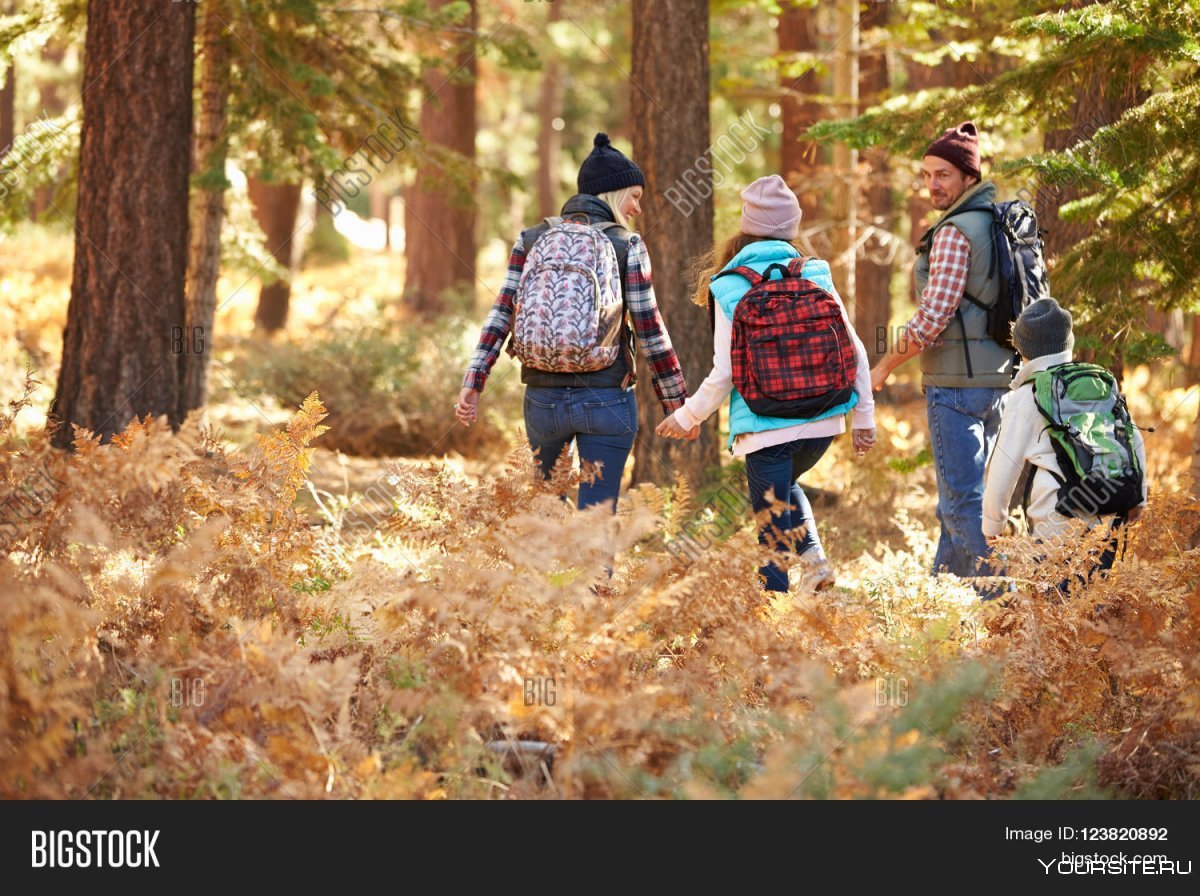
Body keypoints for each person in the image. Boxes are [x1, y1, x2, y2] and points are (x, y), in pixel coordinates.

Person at [657, 175, 875, 593]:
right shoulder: (815, 273)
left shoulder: (729, 284)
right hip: (823, 423)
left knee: (771, 541)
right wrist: (863, 418)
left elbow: (725, 373)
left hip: (765, 428)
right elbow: (857, 350)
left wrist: (687, 416)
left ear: (746, 226)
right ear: (792, 228)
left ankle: (770, 634)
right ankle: (815, 566)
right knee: (786, 489)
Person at [456, 132, 688, 513]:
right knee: (595, 521)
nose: (637, 209)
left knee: (546, 517)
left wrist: (474, 381)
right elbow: (649, 329)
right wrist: (676, 402)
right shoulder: (626, 244)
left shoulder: (532, 238)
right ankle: (593, 576)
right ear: (613, 195)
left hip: (542, 401)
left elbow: (502, 313)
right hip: (606, 398)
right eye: (635, 197)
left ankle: (544, 575)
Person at [869, 121, 1013, 591]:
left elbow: (933, 316)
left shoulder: (955, 232)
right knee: (966, 500)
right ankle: (941, 603)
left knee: (960, 504)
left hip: (957, 387)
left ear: (969, 177)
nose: (932, 184)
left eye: (943, 175)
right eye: (927, 174)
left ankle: (1004, 600)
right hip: (1000, 382)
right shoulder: (998, 221)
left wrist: (886, 364)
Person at [981, 298, 1147, 584]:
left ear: (1021, 349)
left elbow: (1003, 467)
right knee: (1096, 604)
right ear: (1068, 344)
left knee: (1057, 602)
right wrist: (1138, 498)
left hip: (1058, 520)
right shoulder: (1096, 382)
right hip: (1110, 514)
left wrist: (993, 523)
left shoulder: (1026, 395)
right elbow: (1132, 437)